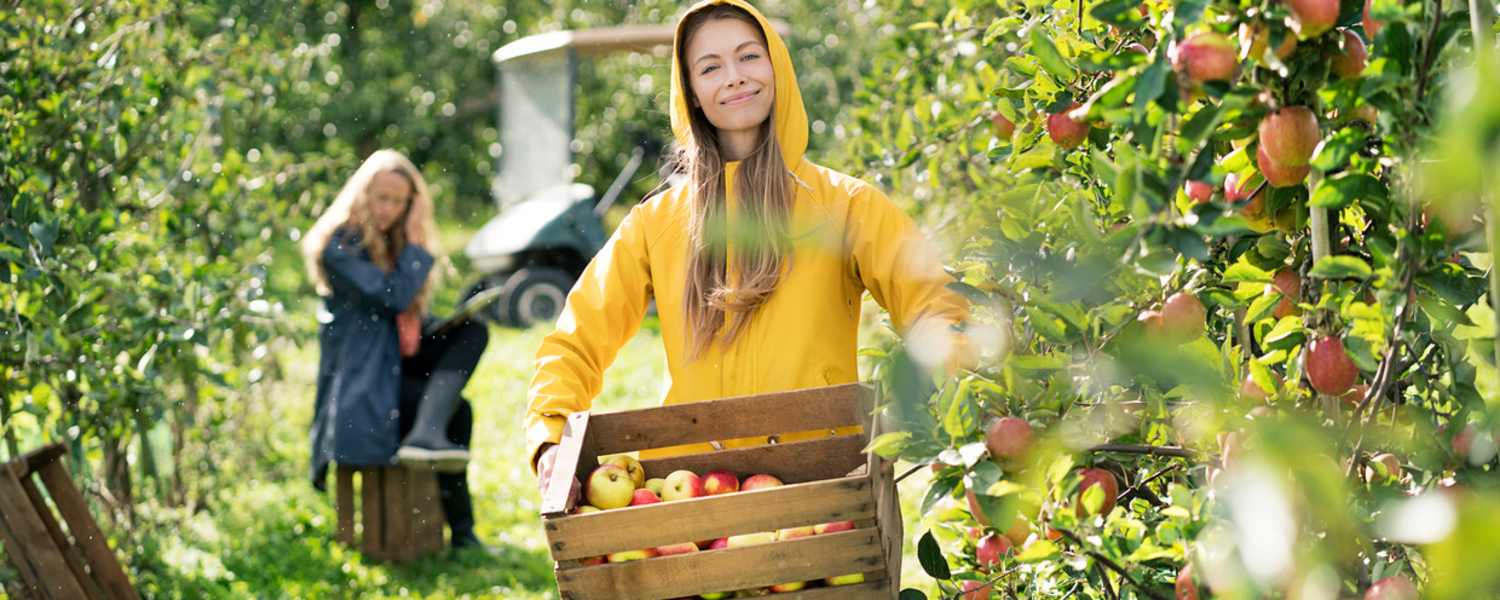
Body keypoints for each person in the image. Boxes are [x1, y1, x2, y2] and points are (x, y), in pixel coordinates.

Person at [526, 0, 973, 506]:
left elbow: (937, 305)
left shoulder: (846, 205)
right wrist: (551, 431)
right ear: (691, 94)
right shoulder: (657, 222)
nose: (734, 77)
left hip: (823, 488)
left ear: (777, 67)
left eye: (749, 57)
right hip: (693, 499)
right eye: (710, 67)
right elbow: (577, 338)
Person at [302, 149, 489, 550]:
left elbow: (402, 319)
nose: (387, 208)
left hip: (394, 365)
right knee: (460, 410)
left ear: (410, 204)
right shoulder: (338, 247)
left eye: (398, 201)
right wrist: (419, 243)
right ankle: (460, 528)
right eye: (380, 197)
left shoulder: (394, 243)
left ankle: (462, 532)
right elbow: (392, 296)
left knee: (473, 330)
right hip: (365, 386)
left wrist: (444, 323)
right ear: (362, 193)